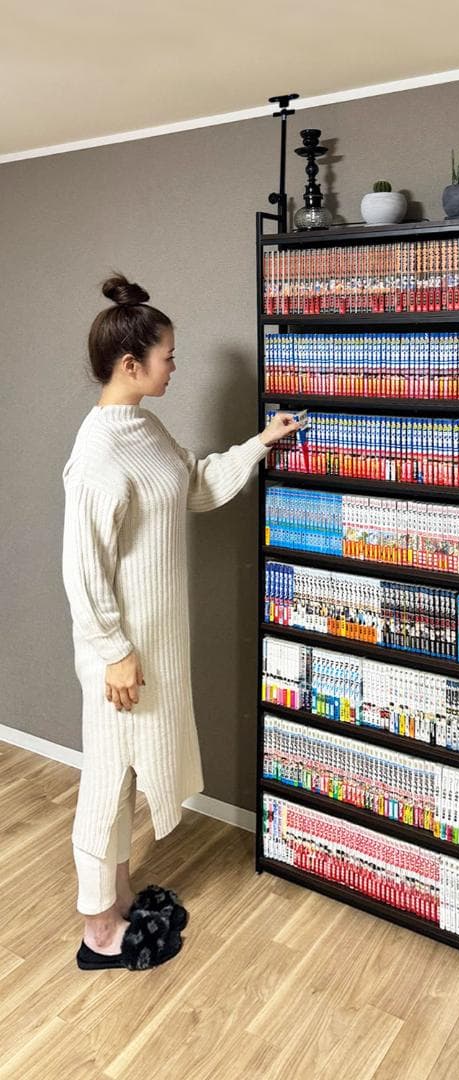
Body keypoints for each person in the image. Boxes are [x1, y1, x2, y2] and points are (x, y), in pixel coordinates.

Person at [62, 273, 299, 970]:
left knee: (127, 776)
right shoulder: (98, 453)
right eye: (167, 356)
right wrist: (114, 652)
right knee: (107, 781)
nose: (175, 366)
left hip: (153, 647)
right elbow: (83, 570)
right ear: (130, 364)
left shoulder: (142, 426)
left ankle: (119, 894)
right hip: (122, 653)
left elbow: (191, 483)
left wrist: (259, 443)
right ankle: (98, 928)